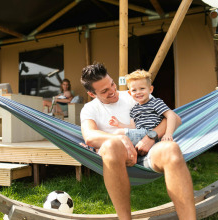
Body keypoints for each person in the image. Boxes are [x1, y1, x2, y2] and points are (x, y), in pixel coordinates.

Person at [80, 62, 196, 220]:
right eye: (105, 91)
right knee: (112, 145)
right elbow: (90, 136)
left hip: (150, 152)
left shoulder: (135, 93)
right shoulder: (90, 109)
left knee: (171, 149)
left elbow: (174, 118)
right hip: (118, 159)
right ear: (93, 94)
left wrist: (151, 136)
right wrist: (122, 139)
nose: (113, 91)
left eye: (112, 84)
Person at [108, 69, 177, 146]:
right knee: (119, 135)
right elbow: (132, 127)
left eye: (142, 88)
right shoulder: (134, 110)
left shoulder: (155, 102)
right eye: (134, 90)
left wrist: (168, 133)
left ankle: (100, 152)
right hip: (140, 135)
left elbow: (171, 115)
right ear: (130, 93)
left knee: (118, 134)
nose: (138, 92)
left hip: (152, 134)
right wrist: (119, 124)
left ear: (150, 89)